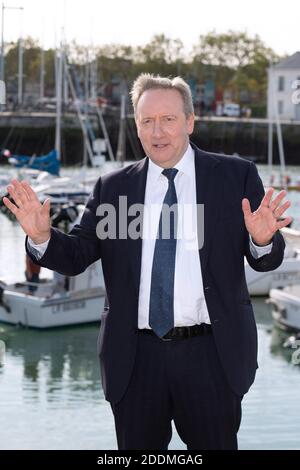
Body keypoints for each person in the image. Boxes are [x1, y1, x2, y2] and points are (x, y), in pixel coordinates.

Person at [2, 74, 290, 450]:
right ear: (136, 126)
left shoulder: (235, 177)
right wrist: (42, 237)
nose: (158, 131)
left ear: (189, 121)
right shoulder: (114, 187)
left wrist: (261, 239)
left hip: (211, 357)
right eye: (147, 121)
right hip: (134, 360)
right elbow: (77, 255)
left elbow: (267, 260)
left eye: (168, 119)